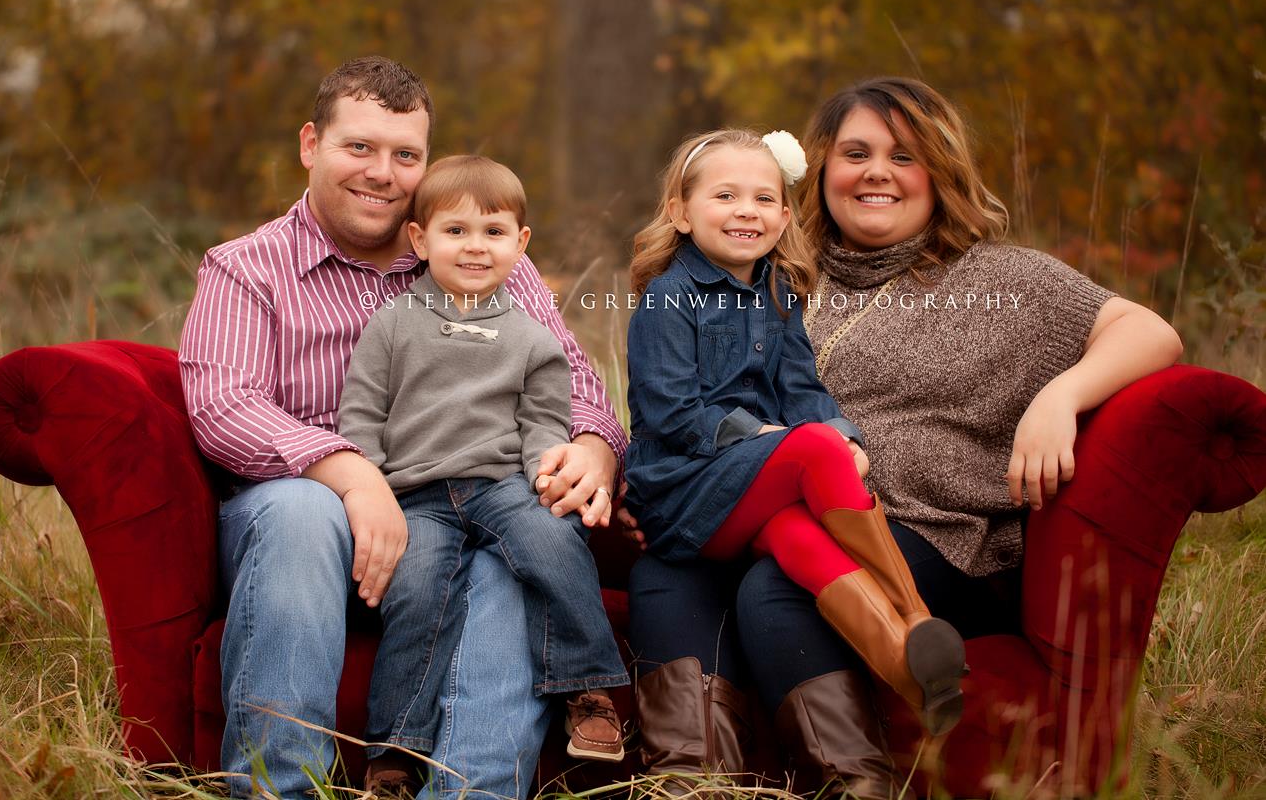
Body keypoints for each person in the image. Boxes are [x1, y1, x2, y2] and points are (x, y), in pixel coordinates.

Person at [621, 78, 1183, 799]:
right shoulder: (778, 269)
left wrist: (1061, 396)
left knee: (775, 589)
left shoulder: (1004, 279)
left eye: (904, 155)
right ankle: (693, 788)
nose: (877, 172)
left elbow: (1150, 333)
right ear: (822, 173)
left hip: (928, 532)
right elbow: (677, 399)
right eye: (856, 152)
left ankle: (860, 785)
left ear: (941, 171)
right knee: (664, 574)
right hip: (752, 498)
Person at [177, 57, 627, 800]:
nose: (383, 173)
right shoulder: (246, 269)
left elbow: (571, 376)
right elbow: (223, 406)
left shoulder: (477, 252)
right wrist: (353, 475)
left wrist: (591, 446)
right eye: (360, 147)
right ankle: (276, 790)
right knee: (299, 509)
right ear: (310, 144)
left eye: (405, 155)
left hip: (458, 510)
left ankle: (469, 790)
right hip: (310, 532)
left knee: (512, 546)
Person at [622, 127, 968, 780]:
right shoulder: (668, 299)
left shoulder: (779, 294)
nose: (746, 211)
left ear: (784, 216)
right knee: (806, 449)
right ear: (681, 213)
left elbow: (803, 390)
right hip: (682, 495)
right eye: (725, 195)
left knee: (800, 533)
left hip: (747, 498)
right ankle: (914, 607)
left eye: (762, 198)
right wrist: (772, 439)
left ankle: (909, 658)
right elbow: (672, 414)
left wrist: (844, 438)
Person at [339, 156, 630, 794]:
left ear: (521, 244)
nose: (476, 247)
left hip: (502, 486)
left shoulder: (532, 338)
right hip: (415, 496)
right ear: (419, 239)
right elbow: (361, 413)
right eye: (456, 231)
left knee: (555, 543)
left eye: (494, 232)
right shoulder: (391, 326)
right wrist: (371, 487)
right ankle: (395, 751)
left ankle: (586, 691)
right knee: (416, 594)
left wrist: (547, 479)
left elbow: (545, 424)